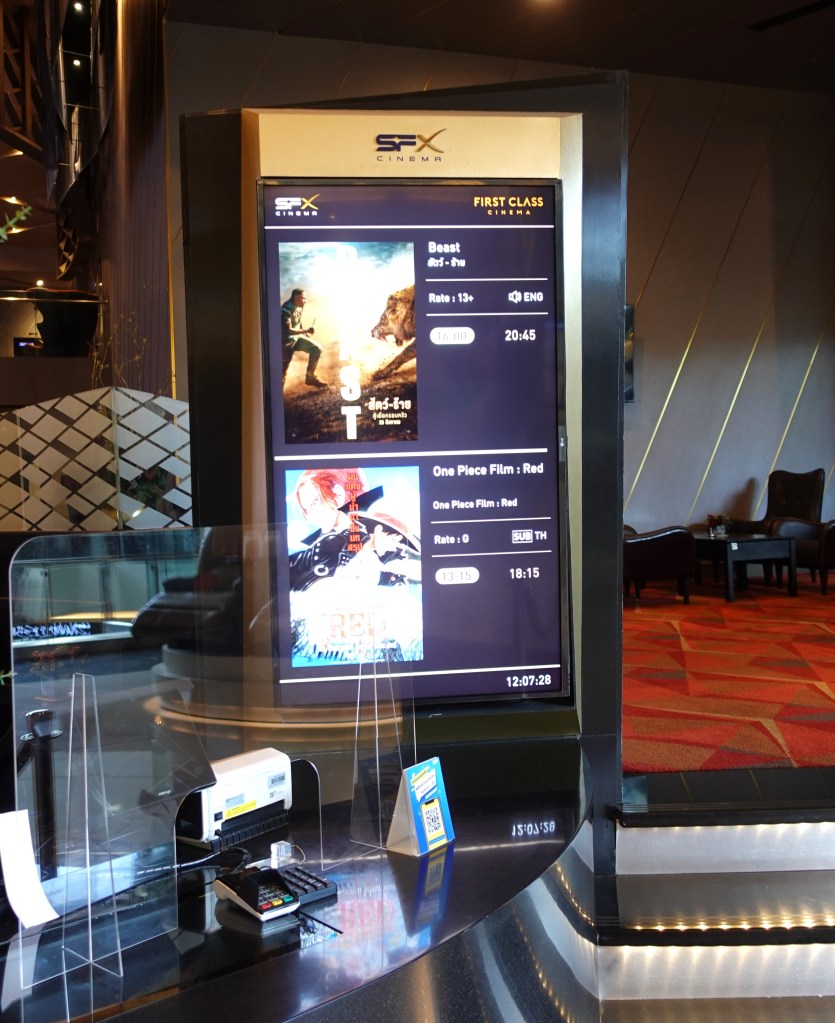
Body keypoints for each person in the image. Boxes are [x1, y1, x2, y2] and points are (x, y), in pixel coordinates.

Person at [288, 468, 408, 591]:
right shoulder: (326, 546)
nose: (311, 517)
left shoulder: (384, 539)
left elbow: (401, 582)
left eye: (314, 503)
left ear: (338, 494)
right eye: (307, 509)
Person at [281, 288, 327, 388]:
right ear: (297, 298)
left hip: (296, 338)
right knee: (282, 374)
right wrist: (306, 330)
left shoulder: (299, 307)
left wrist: (304, 333)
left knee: (317, 349)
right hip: (284, 344)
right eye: (304, 298)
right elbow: (288, 330)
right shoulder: (285, 310)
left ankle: (310, 377)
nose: (306, 300)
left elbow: (298, 320)